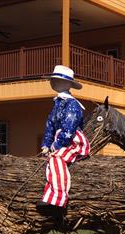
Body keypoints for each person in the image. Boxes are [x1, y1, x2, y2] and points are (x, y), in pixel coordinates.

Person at [37, 65, 90, 210]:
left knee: (57, 157)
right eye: (53, 80)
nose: (53, 82)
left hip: (74, 142)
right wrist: (46, 144)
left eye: (57, 80)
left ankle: (58, 198)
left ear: (68, 84)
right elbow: (50, 126)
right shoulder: (57, 104)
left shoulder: (72, 104)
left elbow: (69, 128)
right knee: (51, 158)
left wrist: (57, 145)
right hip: (60, 140)